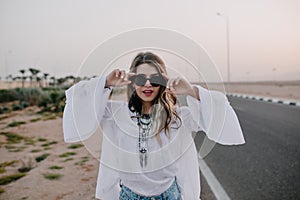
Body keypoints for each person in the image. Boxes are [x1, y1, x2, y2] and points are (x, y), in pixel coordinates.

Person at [63, 52, 245, 200]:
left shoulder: (179, 117)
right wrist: (106, 83)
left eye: (155, 78)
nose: (148, 84)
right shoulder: (115, 114)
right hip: (129, 196)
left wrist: (191, 91)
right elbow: (77, 104)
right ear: (133, 82)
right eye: (141, 79)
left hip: (170, 195)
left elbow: (222, 120)